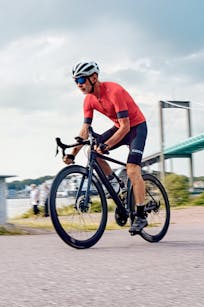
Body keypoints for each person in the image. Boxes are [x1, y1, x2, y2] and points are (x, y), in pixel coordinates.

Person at [63, 60, 148, 234]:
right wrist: (72, 154)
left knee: (132, 170)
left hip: (136, 128)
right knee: (92, 151)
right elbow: (85, 130)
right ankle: (115, 185)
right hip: (120, 127)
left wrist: (107, 145)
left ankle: (140, 215)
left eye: (81, 80)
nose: (78, 85)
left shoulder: (114, 91)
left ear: (94, 77)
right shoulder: (88, 100)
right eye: (75, 81)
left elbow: (126, 126)